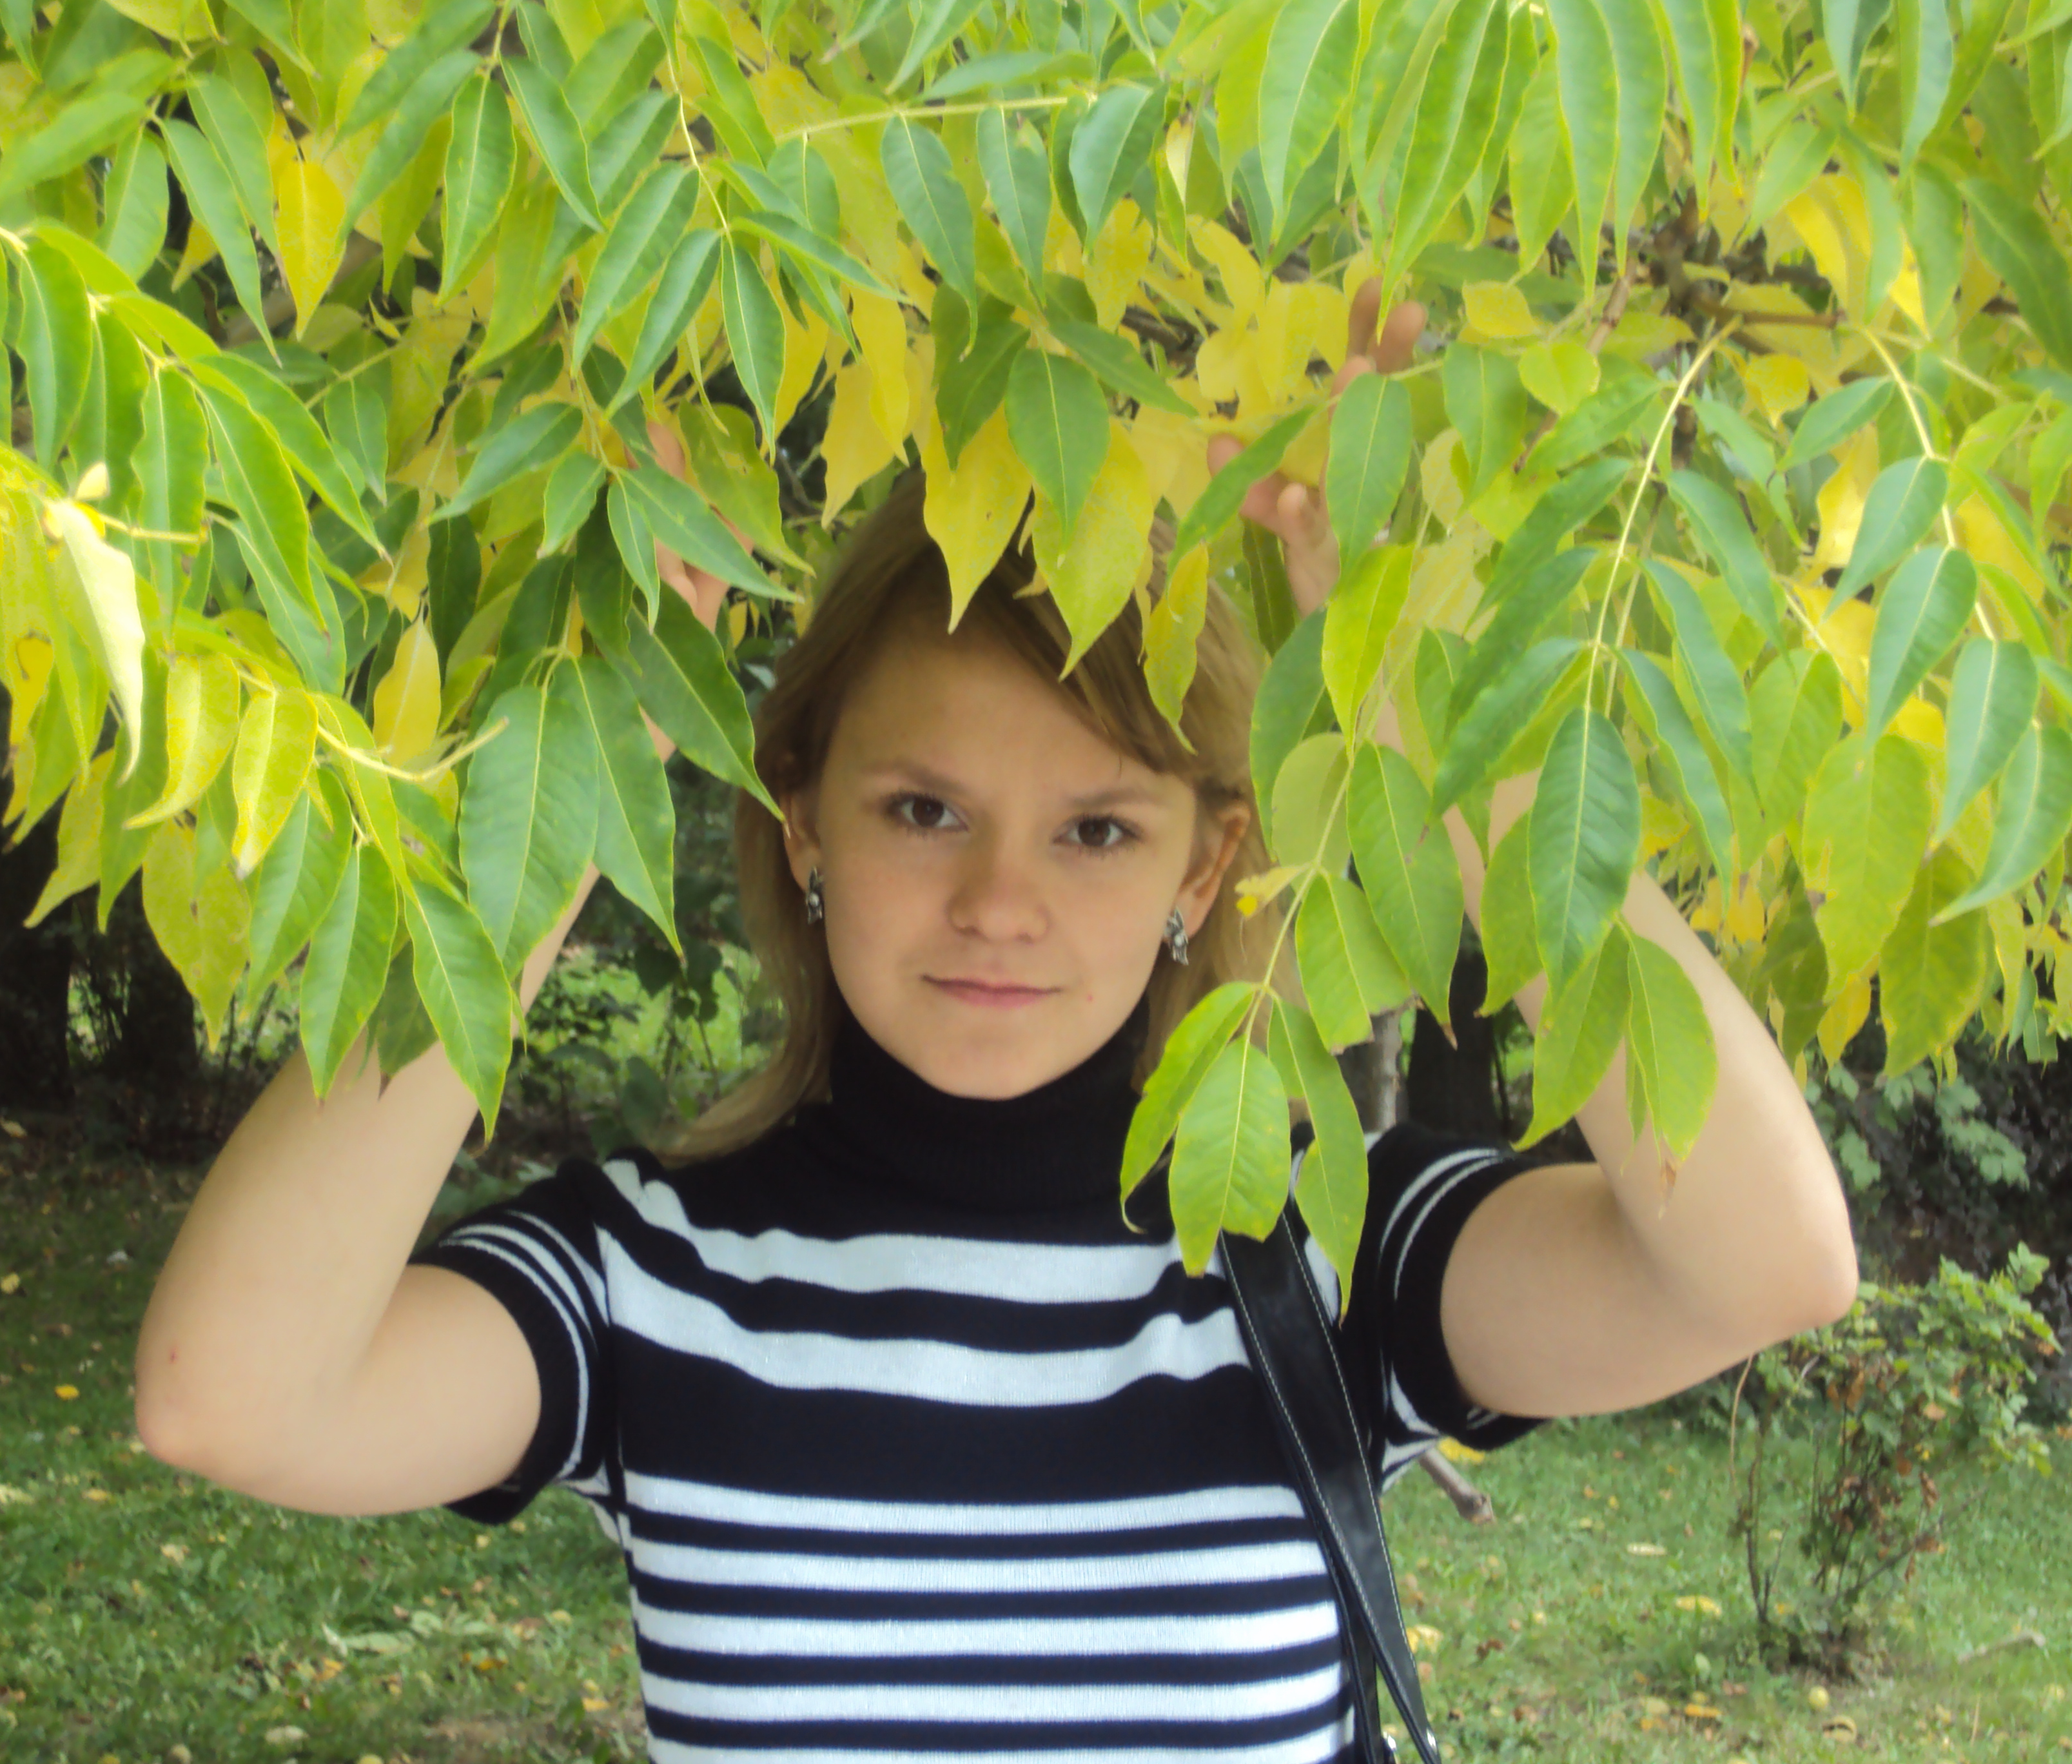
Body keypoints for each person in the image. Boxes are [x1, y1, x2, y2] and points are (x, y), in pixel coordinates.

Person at [133, 281, 1860, 1762]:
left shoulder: (1317, 1253)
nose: (999, 904)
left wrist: (1449, 713)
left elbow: (1763, 1264)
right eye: (922, 811)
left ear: (1207, 864)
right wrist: (565, 776)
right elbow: (234, 1401)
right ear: (803, 826)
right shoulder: (654, 1278)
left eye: (1096, 830)